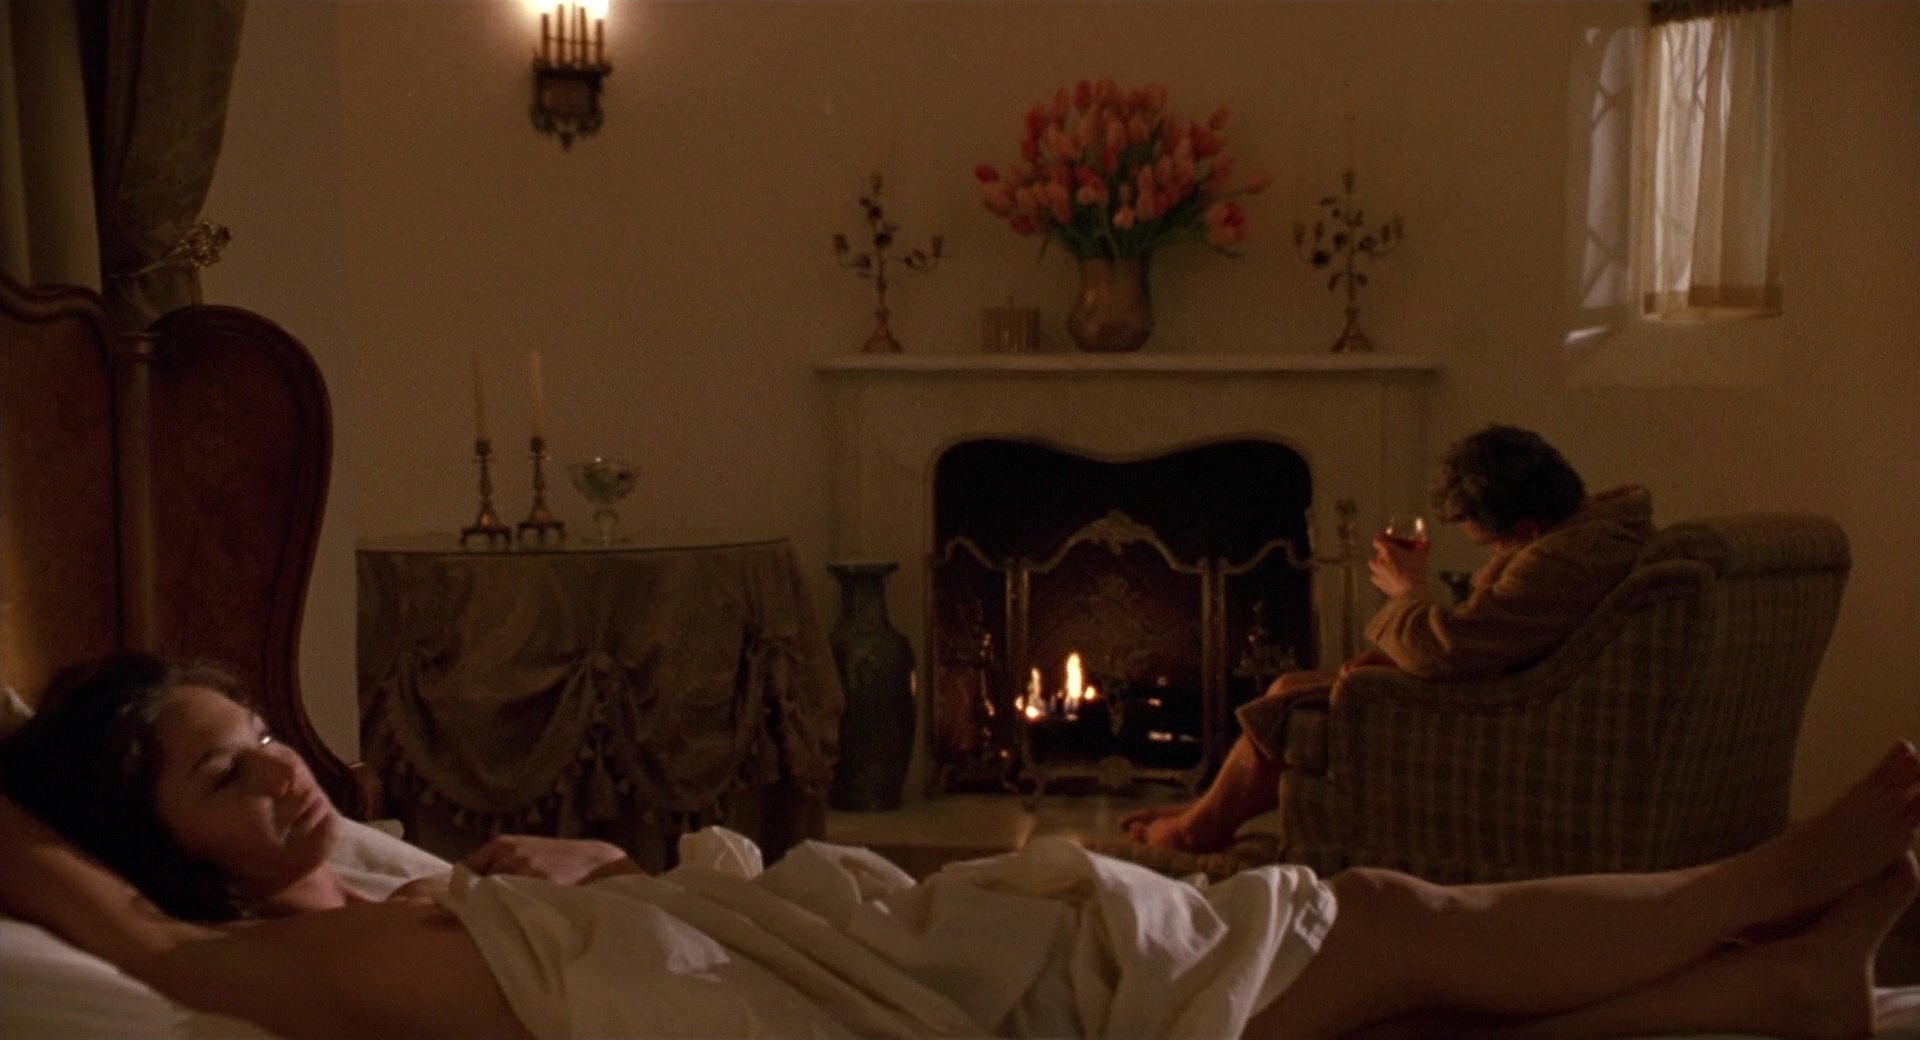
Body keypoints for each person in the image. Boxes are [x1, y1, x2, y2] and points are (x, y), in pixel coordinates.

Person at [2, 654, 1915, 1040]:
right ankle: (1759, 893)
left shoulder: (374, 871)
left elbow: (603, 926)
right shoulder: (273, 962)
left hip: (844, 941)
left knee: (1379, 984)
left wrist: (585, 867)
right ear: (165, 853)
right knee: (1388, 921)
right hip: (898, 996)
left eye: (262, 737)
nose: (285, 775)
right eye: (225, 781)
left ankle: (1782, 989)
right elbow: (138, 947)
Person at [1119, 424, 1655, 855]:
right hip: (1503, 693)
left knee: (1288, 696)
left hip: (1498, 719)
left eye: (1491, 545)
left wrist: (1406, 590)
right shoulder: (1589, 536)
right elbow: (1496, 639)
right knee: (1292, 685)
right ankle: (1206, 812)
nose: (1493, 557)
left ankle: (1197, 830)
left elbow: (1450, 649)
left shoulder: (1565, 558)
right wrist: (1396, 659)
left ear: (1528, 530)